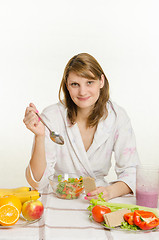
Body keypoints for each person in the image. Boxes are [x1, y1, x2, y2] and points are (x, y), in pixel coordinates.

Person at [23, 53, 140, 201]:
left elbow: (132, 172)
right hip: (59, 198)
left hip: (99, 198)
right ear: (67, 85)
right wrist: (40, 136)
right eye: (75, 84)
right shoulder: (51, 117)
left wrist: (110, 192)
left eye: (89, 82)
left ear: (101, 81)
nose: (82, 92)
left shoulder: (117, 117)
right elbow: (38, 182)